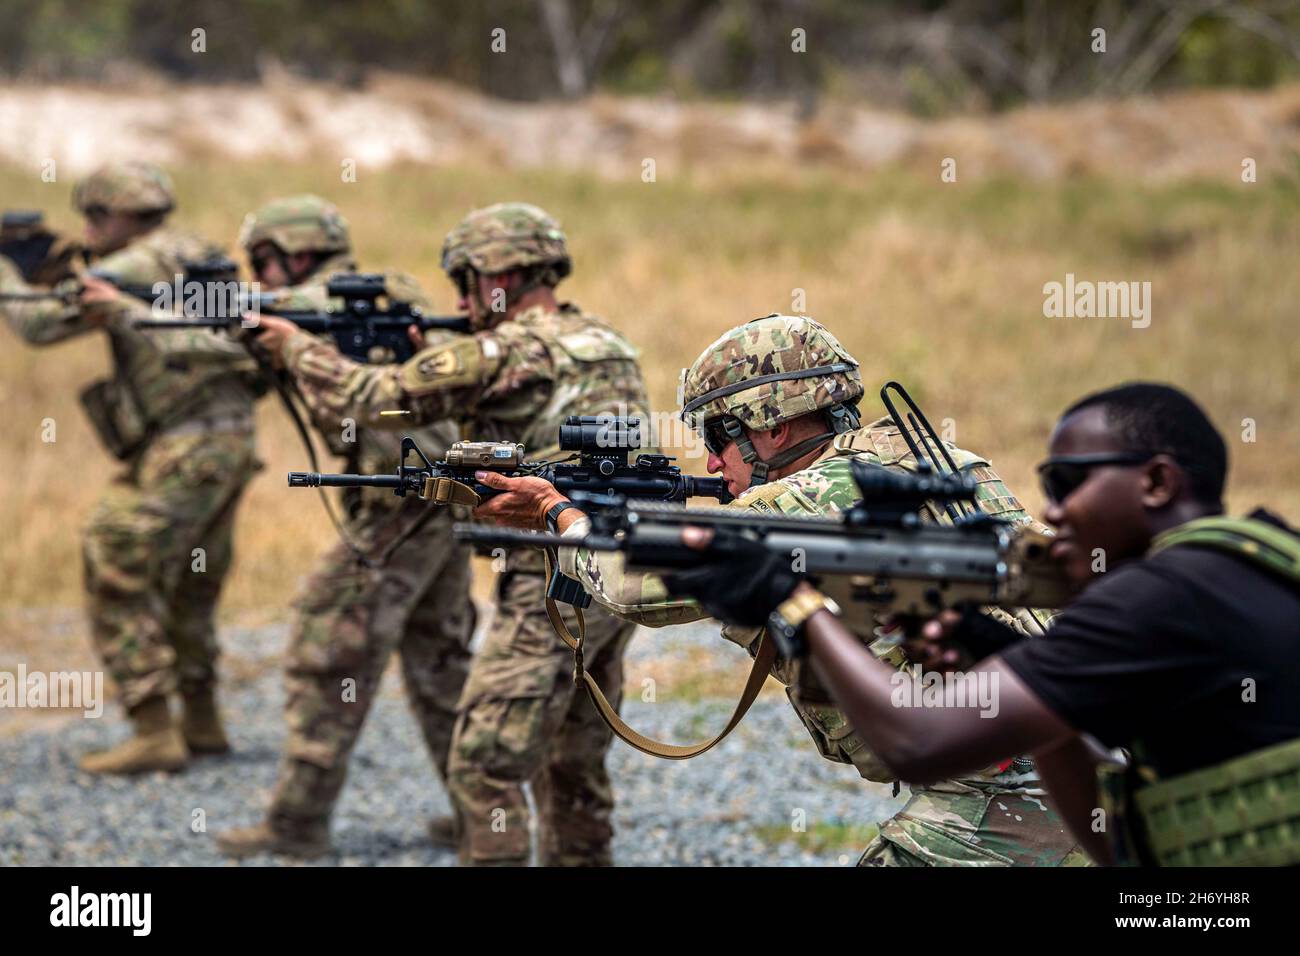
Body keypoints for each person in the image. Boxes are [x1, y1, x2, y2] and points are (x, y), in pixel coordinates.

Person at [473, 314, 1088, 866]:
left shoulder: (808, 495)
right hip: (1075, 749)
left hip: (1010, 789)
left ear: (770, 428)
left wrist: (559, 515)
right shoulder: (933, 459)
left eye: (719, 436)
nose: (713, 463)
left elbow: (631, 588)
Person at [672, 382, 1300, 865]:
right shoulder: (1259, 565)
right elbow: (1117, 844)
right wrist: (1008, 659)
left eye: (1067, 482)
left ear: (1158, 482)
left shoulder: (1155, 600)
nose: (1051, 510)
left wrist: (797, 605)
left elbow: (917, 744)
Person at [251, 202, 646, 866]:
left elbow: (373, 399)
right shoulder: (607, 342)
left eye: (467, 282)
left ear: (499, 275)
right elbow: (525, 414)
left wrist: (292, 345)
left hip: (553, 576)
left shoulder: (504, 348)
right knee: (570, 761)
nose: (462, 299)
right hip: (616, 565)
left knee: (483, 762)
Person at [213, 196, 475, 859]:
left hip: (402, 503)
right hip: (436, 496)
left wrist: (267, 327)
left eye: (264, 262)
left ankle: (297, 825)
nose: (263, 276)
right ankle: (486, 816)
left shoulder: (341, 305)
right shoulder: (359, 301)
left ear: (291, 255)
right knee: (441, 662)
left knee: (326, 650)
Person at [0, 161, 262, 774]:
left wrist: (8, 271)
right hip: (225, 439)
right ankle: (201, 721)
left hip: (185, 442)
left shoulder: (133, 267)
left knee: (114, 554)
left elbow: (39, 325)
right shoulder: (192, 250)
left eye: (93, 217)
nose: (87, 230)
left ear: (115, 215)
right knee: (192, 581)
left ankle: (152, 728)